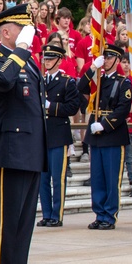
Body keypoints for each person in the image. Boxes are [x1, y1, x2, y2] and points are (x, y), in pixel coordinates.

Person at [0, 3, 47, 264]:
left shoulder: (31, 64)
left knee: (23, 228)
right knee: (7, 225)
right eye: (22, 29)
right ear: (6, 31)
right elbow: (2, 82)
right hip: (9, 153)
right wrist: (19, 50)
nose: (28, 35)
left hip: (31, 152)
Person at [78, 45, 131, 229]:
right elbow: (80, 87)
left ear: (117, 60)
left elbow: (123, 109)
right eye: (104, 58)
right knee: (98, 177)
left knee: (111, 178)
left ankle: (109, 215)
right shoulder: (97, 79)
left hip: (113, 134)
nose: (106, 61)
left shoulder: (123, 82)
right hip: (96, 134)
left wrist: (105, 124)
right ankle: (99, 214)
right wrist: (92, 68)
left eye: (109, 58)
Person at [38, 43, 82, 227]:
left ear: (59, 60)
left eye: (50, 59)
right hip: (43, 135)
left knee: (58, 178)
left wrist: (51, 107)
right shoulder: (40, 81)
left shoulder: (67, 82)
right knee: (43, 179)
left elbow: (72, 107)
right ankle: (47, 213)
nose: (47, 62)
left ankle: (57, 215)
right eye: (45, 58)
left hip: (58, 134)